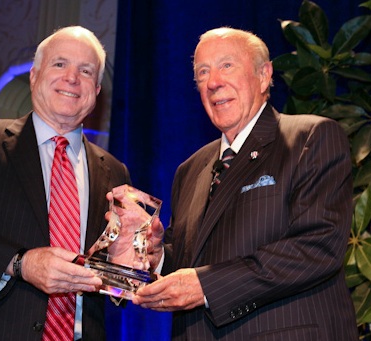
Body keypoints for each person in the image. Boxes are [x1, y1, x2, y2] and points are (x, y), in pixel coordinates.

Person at [132, 27, 359, 340]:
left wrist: (206, 286)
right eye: (202, 72)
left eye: (227, 66)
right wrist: (155, 256)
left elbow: (317, 246)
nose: (213, 83)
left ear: (264, 75)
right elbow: (188, 265)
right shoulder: (190, 169)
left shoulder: (311, 137)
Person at [0, 26, 131, 340]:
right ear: (34, 75)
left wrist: (134, 262)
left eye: (86, 71)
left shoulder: (114, 170)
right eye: (60, 64)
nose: (72, 77)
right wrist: (20, 263)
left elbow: (114, 275)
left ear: (96, 91)